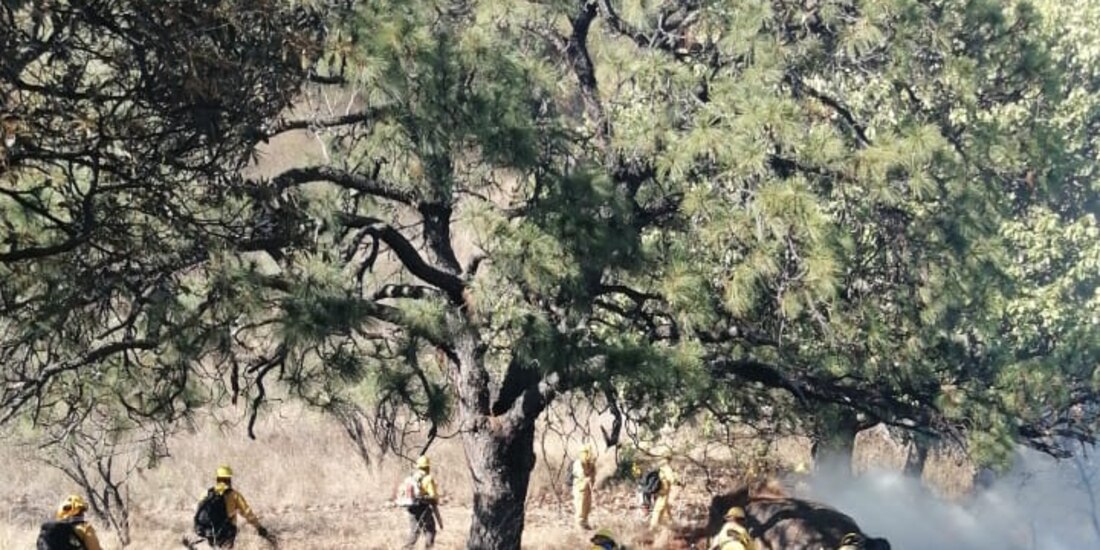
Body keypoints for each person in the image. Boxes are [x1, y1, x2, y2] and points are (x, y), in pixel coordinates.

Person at [194, 465, 271, 548]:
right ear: (229, 479)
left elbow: (199, 510)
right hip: (227, 530)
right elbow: (247, 512)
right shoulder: (234, 494)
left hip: (208, 530)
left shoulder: (206, 493)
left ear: (217, 479)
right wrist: (259, 527)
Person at [405, 455, 441, 549]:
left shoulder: (412, 476)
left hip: (411, 507)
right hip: (423, 507)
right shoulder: (428, 478)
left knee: (414, 531)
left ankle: (407, 547)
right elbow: (433, 495)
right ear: (428, 466)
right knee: (430, 530)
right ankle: (428, 548)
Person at [649, 450, 677, 528]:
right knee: (658, 510)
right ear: (669, 458)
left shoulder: (659, 466)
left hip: (658, 490)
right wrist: (679, 483)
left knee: (666, 508)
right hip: (664, 491)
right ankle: (652, 528)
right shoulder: (667, 468)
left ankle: (671, 524)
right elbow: (672, 480)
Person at [572, 443, 597, 530]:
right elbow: (581, 475)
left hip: (587, 488)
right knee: (580, 505)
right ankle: (580, 524)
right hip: (580, 488)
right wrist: (587, 479)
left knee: (587, 505)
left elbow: (593, 473)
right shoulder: (578, 463)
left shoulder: (590, 463)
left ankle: (585, 522)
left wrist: (592, 478)